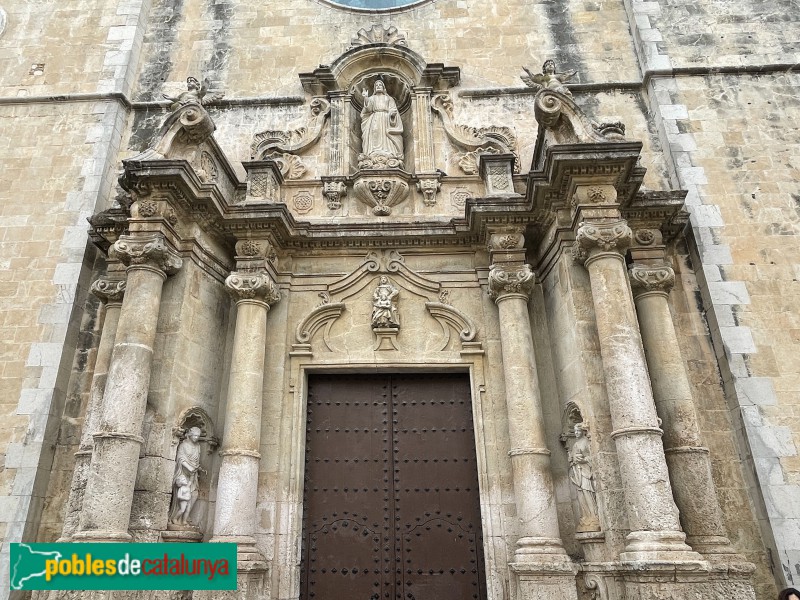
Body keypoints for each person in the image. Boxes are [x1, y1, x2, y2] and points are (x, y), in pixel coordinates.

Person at [360, 80, 404, 164]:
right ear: (374, 88)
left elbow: (393, 109)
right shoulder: (371, 98)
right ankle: (373, 151)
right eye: (376, 85)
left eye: (380, 85)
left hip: (386, 119)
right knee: (375, 133)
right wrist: (365, 98)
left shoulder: (389, 98)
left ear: (383, 88)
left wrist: (392, 114)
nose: (378, 86)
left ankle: (389, 151)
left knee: (385, 135)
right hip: (374, 118)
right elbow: (368, 109)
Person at [168, 426, 204, 526]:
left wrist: (198, 468)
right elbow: (180, 458)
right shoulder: (183, 445)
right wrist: (189, 467)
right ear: (190, 435)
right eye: (194, 435)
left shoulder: (198, 446)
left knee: (194, 494)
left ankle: (185, 516)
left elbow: (196, 462)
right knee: (181, 497)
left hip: (193, 474)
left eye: (198, 436)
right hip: (183, 473)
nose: (196, 438)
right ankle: (176, 517)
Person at [568, 423, 599, 530]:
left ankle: (594, 516)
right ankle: (586, 516)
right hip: (578, 472)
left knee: (588, 492)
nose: (576, 433)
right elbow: (572, 459)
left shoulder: (586, 442)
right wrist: (572, 459)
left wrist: (584, 460)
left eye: (578, 431)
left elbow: (592, 456)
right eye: (575, 431)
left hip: (586, 471)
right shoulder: (575, 444)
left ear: (583, 431)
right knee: (581, 495)